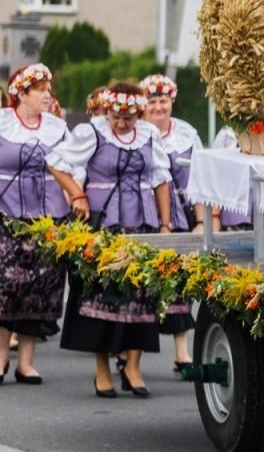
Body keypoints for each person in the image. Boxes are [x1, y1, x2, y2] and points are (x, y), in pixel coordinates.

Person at [47, 80, 173, 399]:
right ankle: (102, 369)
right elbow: (56, 163)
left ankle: (132, 366)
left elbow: (161, 179)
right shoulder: (93, 133)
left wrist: (166, 224)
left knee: (140, 294)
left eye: (128, 118)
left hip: (140, 224)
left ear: (138, 114)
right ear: (108, 111)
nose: (120, 123)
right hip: (103, 225)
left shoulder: (148, 135)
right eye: (116, 116)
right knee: (101, 295)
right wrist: (77, 194)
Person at [0, 64, 71, 385]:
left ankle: (26, 363)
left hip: (48, 218)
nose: (48, 95)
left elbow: (73, 165)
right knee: (6, 286)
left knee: (40, 289)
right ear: (22, 94)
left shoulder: (57, 128)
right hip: (7, 214)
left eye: (49, 90)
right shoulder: (3, 123)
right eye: (41, 90)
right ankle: (1, 357)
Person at [140, 74, 201, 370]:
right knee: (142, 281)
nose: (158, 107)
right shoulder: (136, 132)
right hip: (142, 212)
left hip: (181, 215)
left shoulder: (187, 134)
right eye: (151, 101)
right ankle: (129, 349)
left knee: (179, 281)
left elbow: (200, 180)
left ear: (171, 102)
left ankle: (181, 352)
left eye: (163, 100)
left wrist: (202, 221)